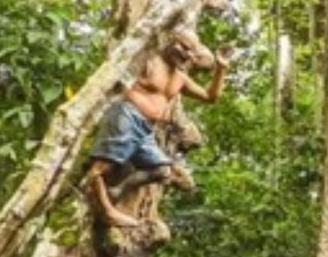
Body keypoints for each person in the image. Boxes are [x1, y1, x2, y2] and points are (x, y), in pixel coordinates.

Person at [85, 29, 229, 227]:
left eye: (190, 51)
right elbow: (118, 70)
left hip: (145, 130)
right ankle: (106, 211)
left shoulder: (180, 77)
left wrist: (221, 68)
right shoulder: (149, 59)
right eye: (183, 47)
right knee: (101, 167)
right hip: (126, 116)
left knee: (162, 170)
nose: (185, 54)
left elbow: (210, 97)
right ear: (171, 41)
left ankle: (117, 191)